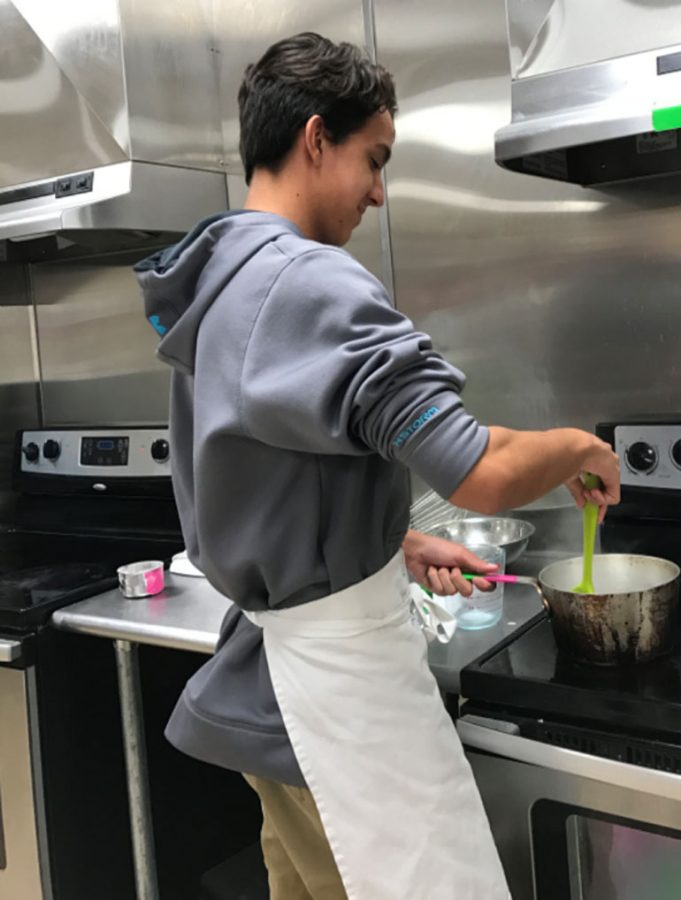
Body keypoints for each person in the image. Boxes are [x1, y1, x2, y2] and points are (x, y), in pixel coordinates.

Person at [135, 32, 620, 900]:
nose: (380, 191)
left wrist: (388, 543)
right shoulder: (312, 285)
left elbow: (268, 472)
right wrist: (581, 446)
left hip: (276, 691)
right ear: (316, 139)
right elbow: (477, 469)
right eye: (374, 158)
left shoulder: (219, 282)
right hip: (335, 709)